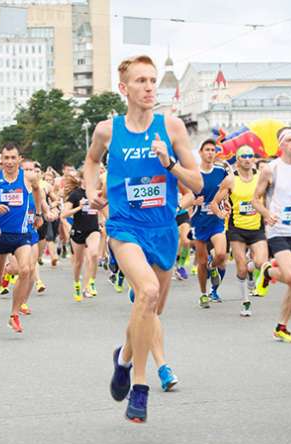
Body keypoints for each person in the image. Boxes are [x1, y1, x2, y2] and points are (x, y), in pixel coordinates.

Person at [84, 55, 202, 423]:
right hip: (124, 226)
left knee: (150, 309)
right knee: (147, 292)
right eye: (141, 81)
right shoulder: (108, 130)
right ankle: (139, 386)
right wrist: (91, 192)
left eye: (153, 80)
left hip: (163, 228)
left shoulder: (173, 127)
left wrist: (169, 164)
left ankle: (123, 358)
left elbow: (198, 184)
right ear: (124, 89)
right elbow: (90, 162)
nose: (150, 87)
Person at [253, 128, 291, 343]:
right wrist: (267, 214)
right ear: (281, 144)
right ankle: (268, 271)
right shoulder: (270, 169)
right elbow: (255, 199)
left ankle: (282, 326)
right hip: (279, 230)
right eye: (289, 140)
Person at [0, 143, 46, 332]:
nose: (9, 162)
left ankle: (14, 315)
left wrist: (39, 214)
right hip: (0, 234)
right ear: (1, 160)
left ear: (19, 159)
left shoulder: (29, 177)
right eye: (5, 158)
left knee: (26, 269)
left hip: (22, 234)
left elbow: (37, 190)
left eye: (12, 158)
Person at [210, 145, 268, 319]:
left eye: (251, 155)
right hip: (237, 230)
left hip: (257, 227)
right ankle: (245, 300)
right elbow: (214, 203)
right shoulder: (230, 180)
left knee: (260, 263)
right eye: (244, 156)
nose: (248, 159)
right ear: (238, 159)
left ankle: (251, 270)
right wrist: (221, 213)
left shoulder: (261, 177)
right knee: (241, 268)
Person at [189, 140, 228, 308]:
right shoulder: (194, 173)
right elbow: (185, 195)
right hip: (199, 223)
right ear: (200, 152)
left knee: (221, 254)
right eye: (207, 150)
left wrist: (226, 203)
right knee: (202, 261)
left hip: (216, 220)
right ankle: (204, 293)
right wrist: (193, 202)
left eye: (213, 150)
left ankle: (214, 268)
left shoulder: (221, 172)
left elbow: (226, 191)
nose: (210, 153)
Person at [63, 173, 101, 301]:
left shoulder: (96, 193)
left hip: (93, 229)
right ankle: (77, 285)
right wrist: (79, 206)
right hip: (78, 230)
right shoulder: (76, 194)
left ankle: (90, 283)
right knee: (79, 263)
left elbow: (102, 208)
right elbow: (64, 214)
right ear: (82, 179)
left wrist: (103, 219)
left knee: (94, 254)